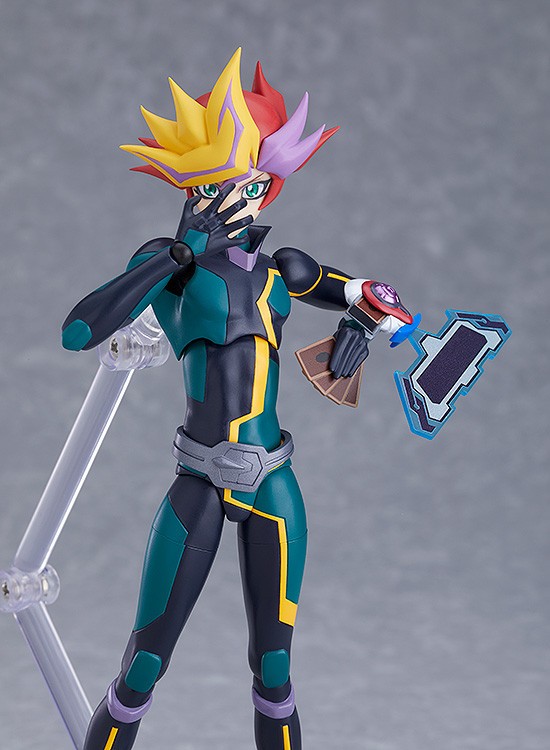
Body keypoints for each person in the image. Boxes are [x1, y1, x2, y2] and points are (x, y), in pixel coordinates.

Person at [63, 48, 398, 750]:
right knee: (142, 668)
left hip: (273, 480)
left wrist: (366, 322)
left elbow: (370, 296)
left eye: (235, 179)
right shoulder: (170, 266)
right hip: (200, 482)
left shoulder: (283, 269)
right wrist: (177, 254)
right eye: (208, 182)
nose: (217, 194)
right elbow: (81, 329)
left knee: (274, 673)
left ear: (262, 184)